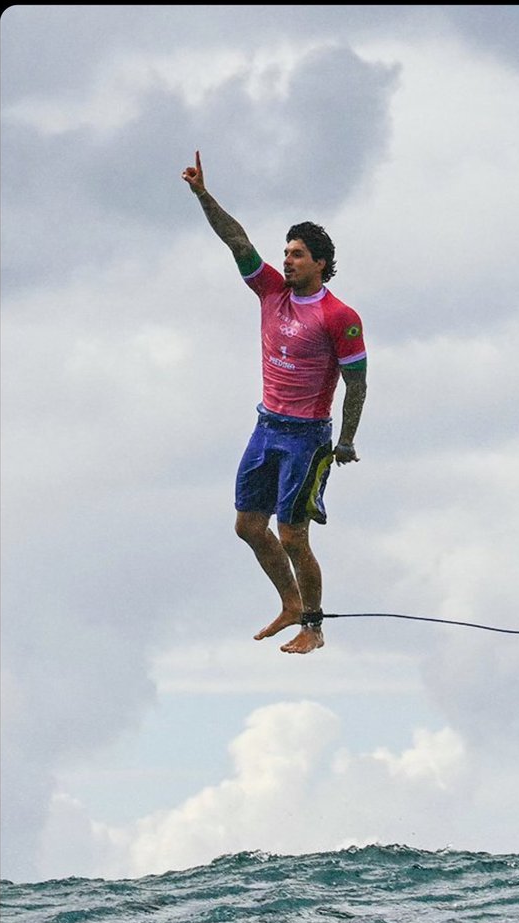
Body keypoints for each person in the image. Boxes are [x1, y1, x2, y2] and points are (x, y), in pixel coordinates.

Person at [181, 150, 368, 655]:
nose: (286, 260)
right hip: (266, 426)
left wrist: (346, 440)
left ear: (321, 264)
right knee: (247, 526)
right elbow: (236, 239)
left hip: (307, 437)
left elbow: (357, 382)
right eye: (285, 252)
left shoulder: (339, 316)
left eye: (297, 254)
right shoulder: (270, 291)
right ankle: (289, 603)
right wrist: (202, 194)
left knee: (292, 535)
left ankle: (313, 625)